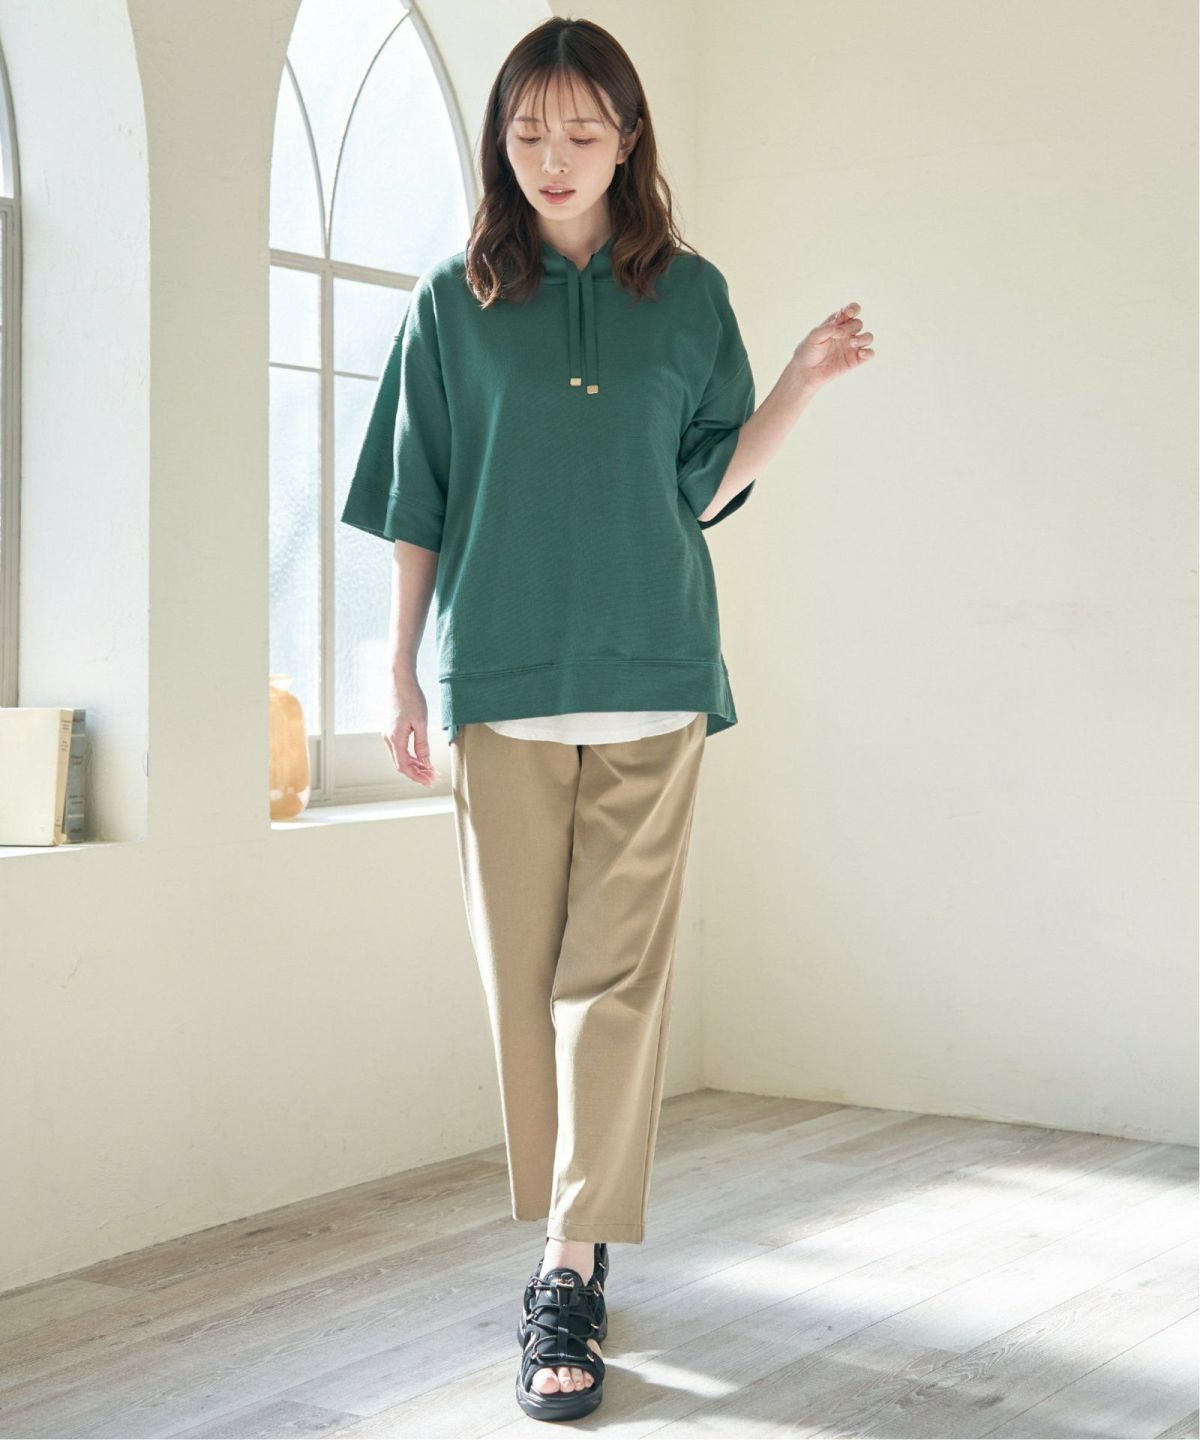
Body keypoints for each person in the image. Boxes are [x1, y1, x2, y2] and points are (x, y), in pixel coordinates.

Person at [340, 16, 874, 1423]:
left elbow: (703, 484)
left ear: (628, 139)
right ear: (500, 142)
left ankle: (566, 1269)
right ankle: (568, 1233)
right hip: (500, 678)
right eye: (528, 133)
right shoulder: (449, 304)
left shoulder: (689, 297)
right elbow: (414, 500)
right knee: (525, 986)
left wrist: (799, 384)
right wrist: (397, 671)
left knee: (615, 984)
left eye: (582, 132)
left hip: (653, 672)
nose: (554, 157)